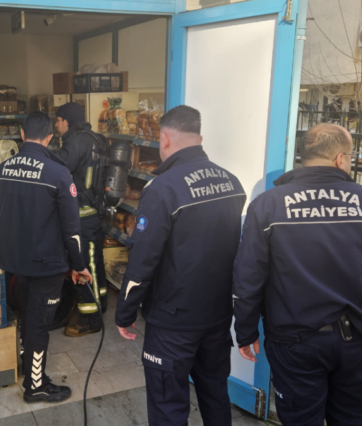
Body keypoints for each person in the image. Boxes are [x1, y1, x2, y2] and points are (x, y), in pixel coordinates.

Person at [233, 123, 362, 425]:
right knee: (349, 419)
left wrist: (246, 330)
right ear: (340, 159)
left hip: (295, 341)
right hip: (359, 339)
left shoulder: (268, 205)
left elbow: (248, 275)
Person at [116, 106, 246, 426]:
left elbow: (143, 261)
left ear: (164, 139)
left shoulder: (162, 188)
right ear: (199, 138)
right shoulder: (232, 182)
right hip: (217, 317)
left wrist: (125, 312)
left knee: (168, 406)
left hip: (172, 322)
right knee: (215, 393)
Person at [0, 111, 93, 403]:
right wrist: (79, 265)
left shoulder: (0, 170)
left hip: (15, 261)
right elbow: (72, 229)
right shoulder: (58, 173)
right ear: (50, 138)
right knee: (39, 324)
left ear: (22, 135)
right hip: (47, 264)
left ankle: (29, 367)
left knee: (26, 314)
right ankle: (35, 386)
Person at [55, 102, 108, 337]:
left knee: (85, 265)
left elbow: (58, 167)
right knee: (95, 263)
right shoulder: (95, 138)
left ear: (66, 121)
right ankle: (100, 304)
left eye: (57, 121)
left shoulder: (75, 142)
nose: (56, 125)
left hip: (82, 216)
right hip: (94, 212)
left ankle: (91, 320)